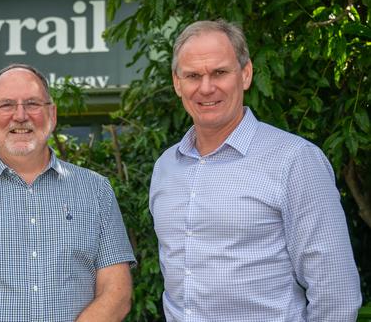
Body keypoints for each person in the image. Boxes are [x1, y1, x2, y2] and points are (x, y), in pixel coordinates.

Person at [149, 20, 362, 321]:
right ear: (177, 83)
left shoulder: (295, 161)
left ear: (245, 74)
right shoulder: (166, 168)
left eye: (219, 72)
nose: (206, 87)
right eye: (193, 75)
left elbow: (336, 293)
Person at [0, 63, 136, 321]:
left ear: (52, 115)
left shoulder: (96, 190)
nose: (20, 116)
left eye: (32, 104)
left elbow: (117, 294)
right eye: (6, 105)